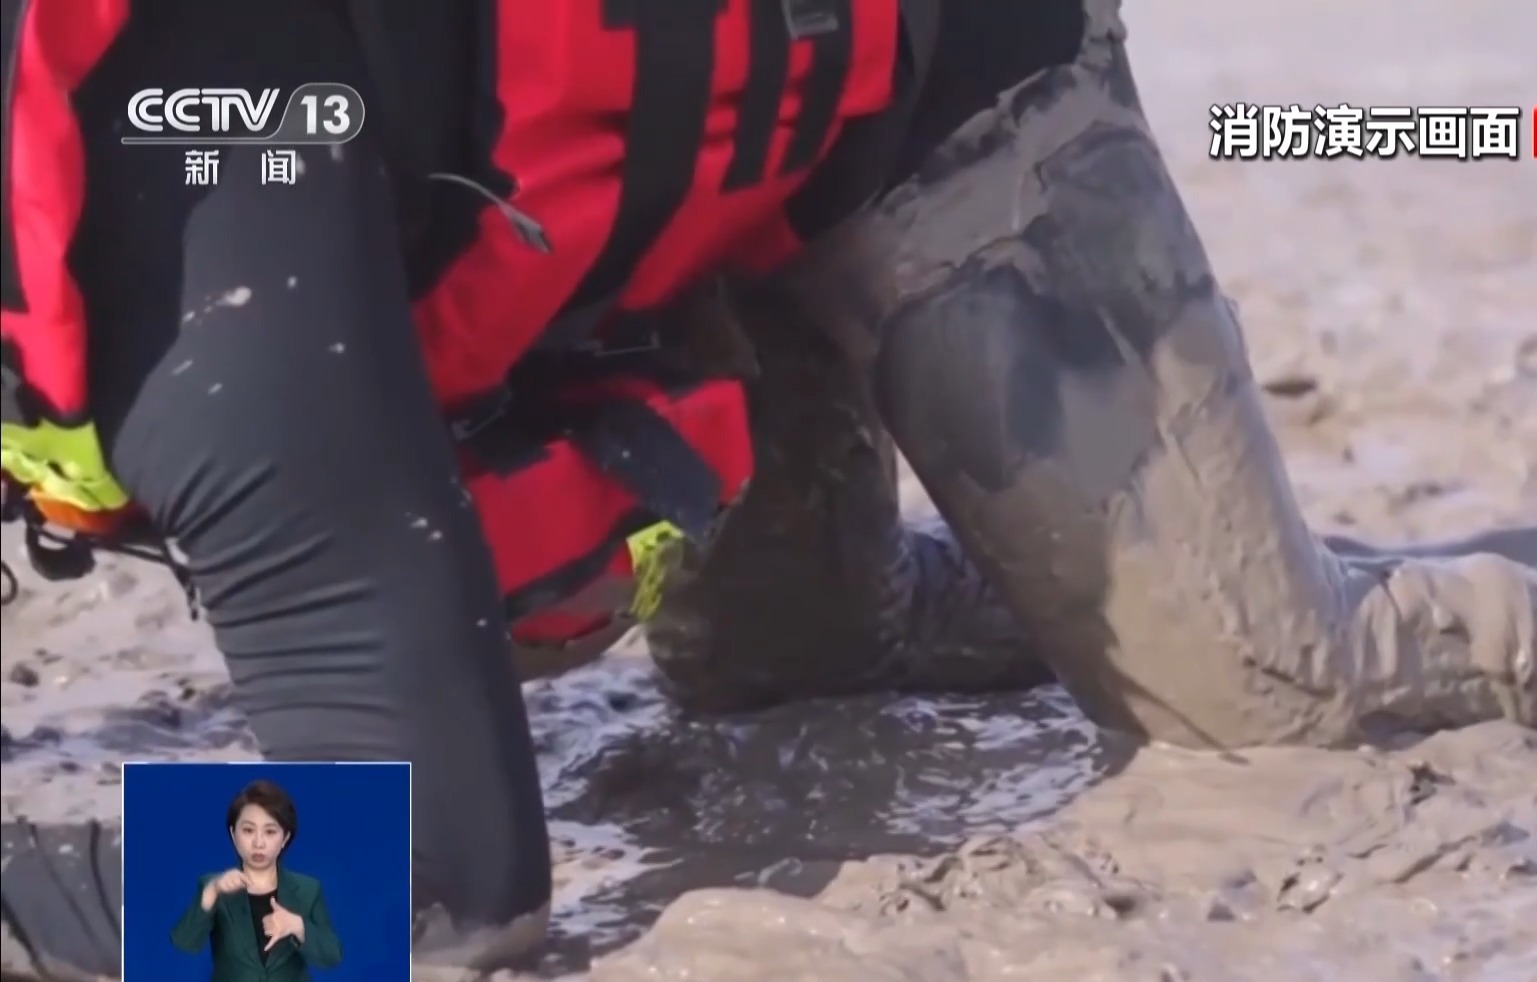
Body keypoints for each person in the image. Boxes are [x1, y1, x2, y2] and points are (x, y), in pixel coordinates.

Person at [0, 0, 1338, 975]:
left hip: (951, 77)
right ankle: (943, 577)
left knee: (1270, 680)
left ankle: (1481, 611)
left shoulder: (193, 188)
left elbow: (420, 885)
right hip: (644, 174)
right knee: (792, 658)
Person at [169, 781, 343, 982]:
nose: (258, 843)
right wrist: (212, 892)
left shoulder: (308, 889)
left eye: (270, 832)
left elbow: (332, 956)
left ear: (285, 838)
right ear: (234, 834)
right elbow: (184, 943)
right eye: (248, 830)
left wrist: (297, 926)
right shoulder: (213, 887)